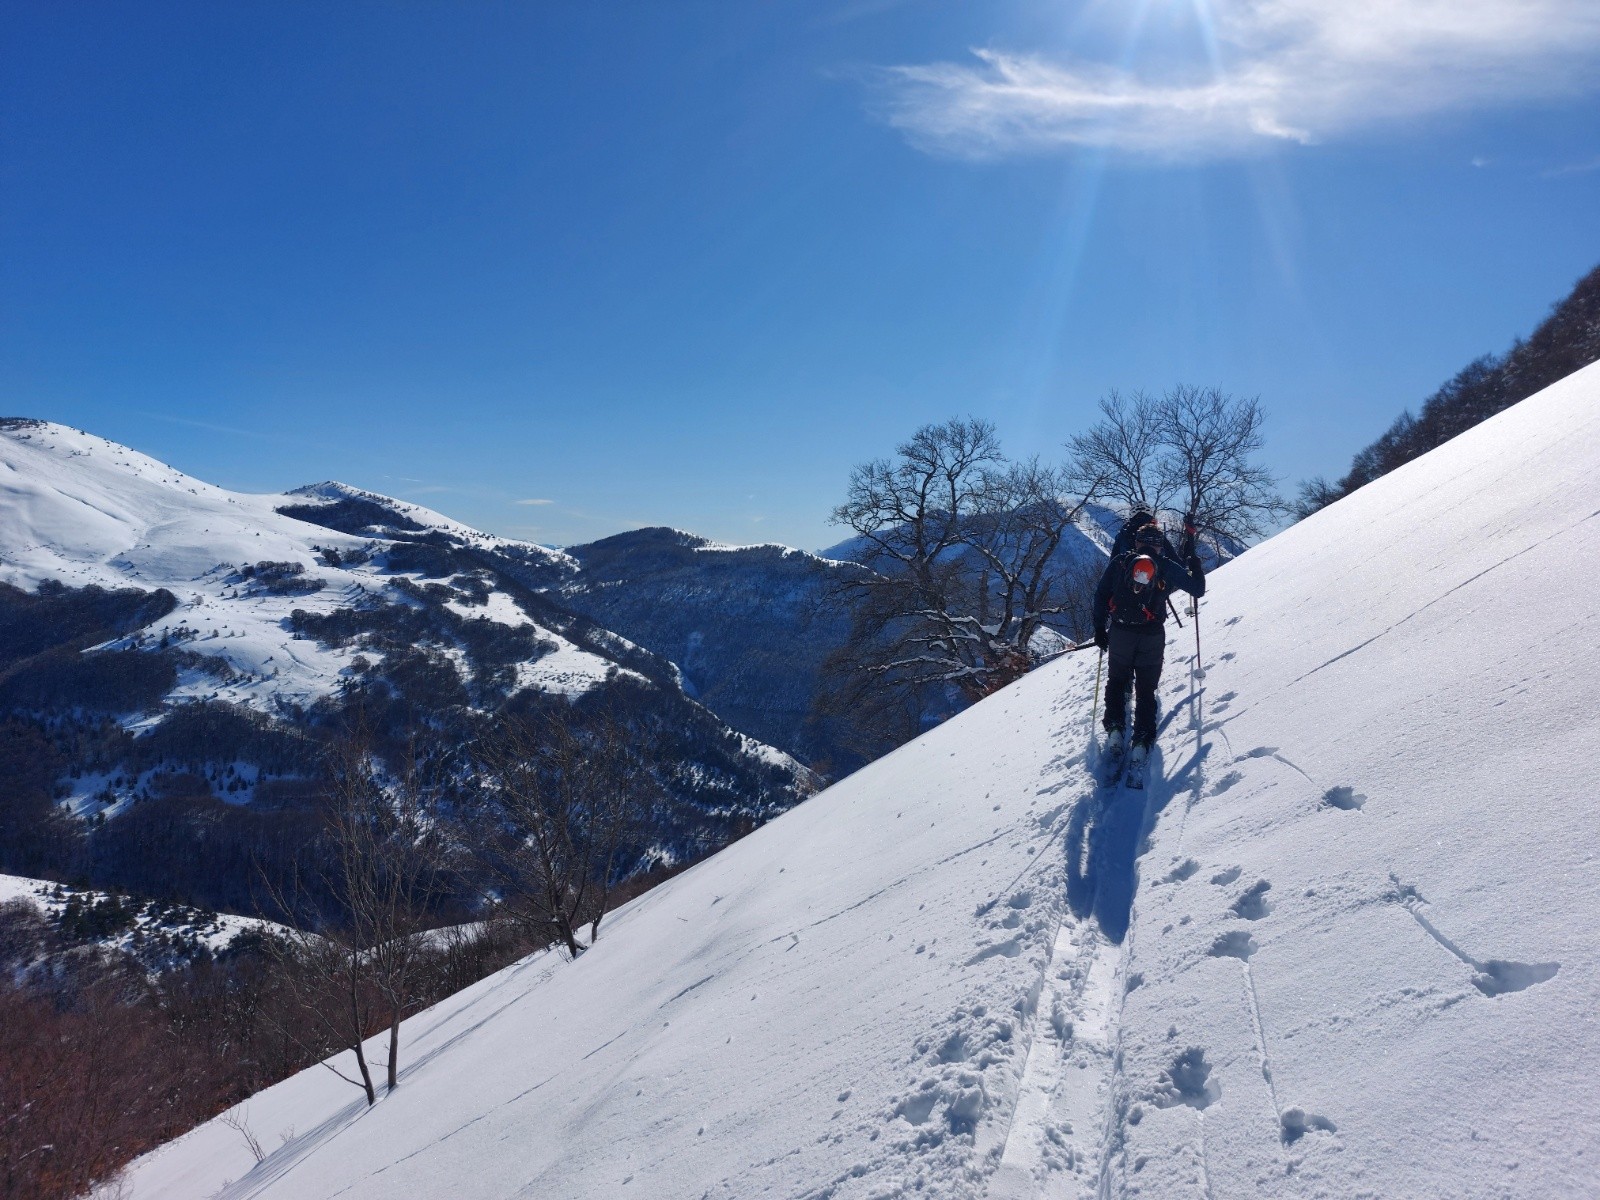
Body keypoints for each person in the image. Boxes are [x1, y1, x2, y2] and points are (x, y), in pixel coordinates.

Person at [1092, 520, 1206, 765]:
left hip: (1121, 633)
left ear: (1137, 542)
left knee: (1117, 681)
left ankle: (1114, 730)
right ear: (1158, 545)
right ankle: (1141, 742)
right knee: (1146, 690)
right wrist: (1195, 566)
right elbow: (1197, 590)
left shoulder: (1120, 562)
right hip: (1152, 635)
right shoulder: (1164, 565)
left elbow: (1101, 595)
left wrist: (1100, 629)